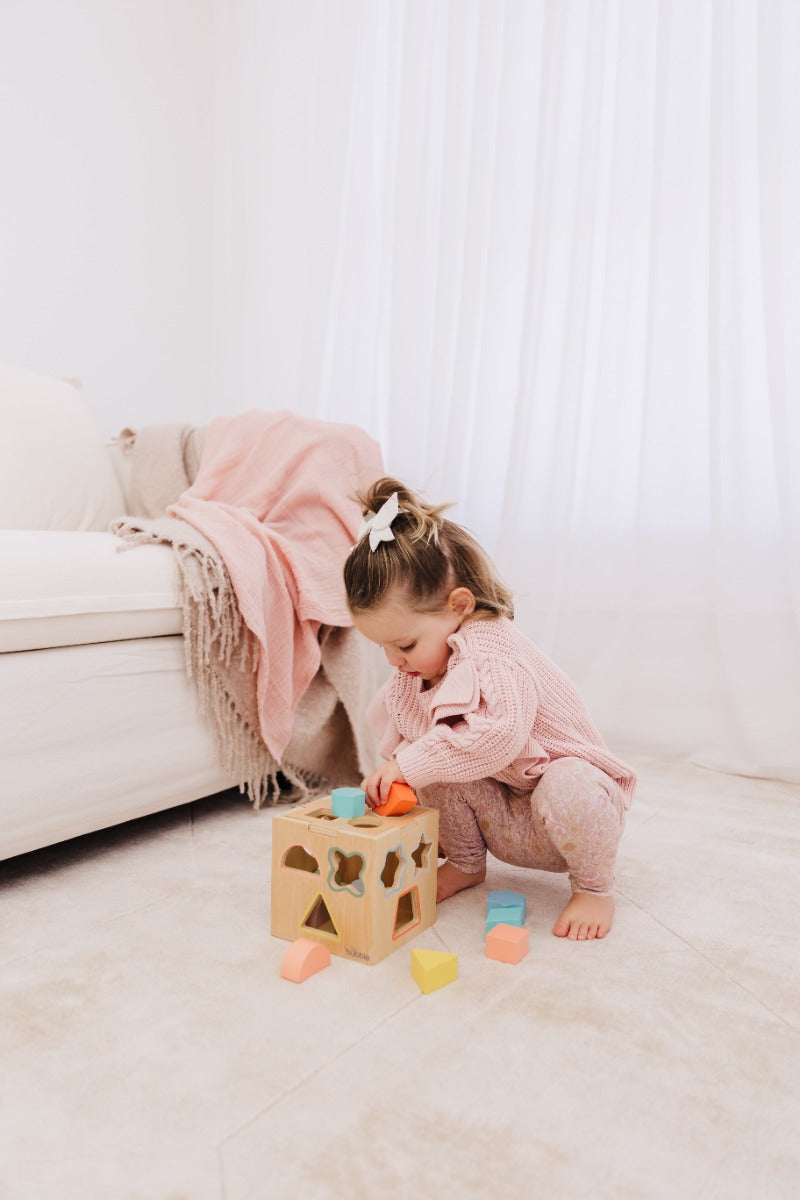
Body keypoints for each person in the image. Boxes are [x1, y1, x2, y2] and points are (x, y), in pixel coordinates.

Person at [343, 476, 636, 941]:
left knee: (567, 783)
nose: (395, 661)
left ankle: (594, 888)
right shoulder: (416, 671)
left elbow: (499, 737)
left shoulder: (495, 655)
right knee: (432, 763)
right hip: (508, 816)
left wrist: (410, 763)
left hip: (568, 813)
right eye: (384, 647)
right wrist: (394, 776)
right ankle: (465, 863)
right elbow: (414, 739)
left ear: (459, 606)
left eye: (405, 644)